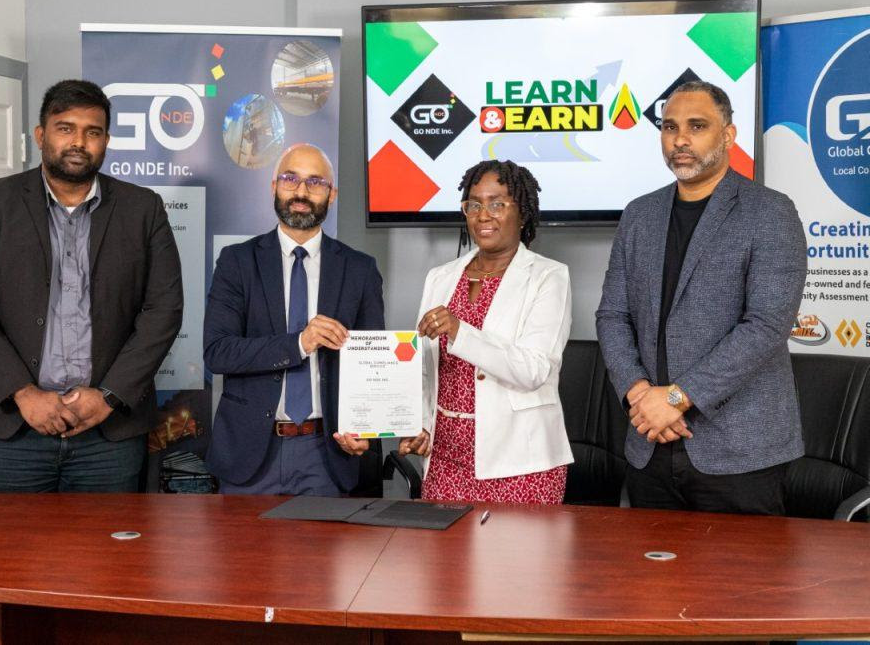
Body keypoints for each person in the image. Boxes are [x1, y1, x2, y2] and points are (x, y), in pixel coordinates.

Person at [0, 79, 183, 644]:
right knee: (2, 575)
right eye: (67, 128)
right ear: (40, 134)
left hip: (107, 433)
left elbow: (163, 310)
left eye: (93, 132)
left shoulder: (142, 209)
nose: (80, 142)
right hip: (10, 431)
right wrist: (24, 394)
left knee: (107, 577)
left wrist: (111, 395)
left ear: (107, 141)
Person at [595, 81, 807, 515]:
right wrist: (640, 396)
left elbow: (766, 324)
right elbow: (613, 315)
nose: (681, 140)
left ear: (728, 135)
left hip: (739, 453)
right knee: (650, 582)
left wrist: (673, 400)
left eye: (697, 126)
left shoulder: (769, 211)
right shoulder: (640, 214)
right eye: (670, 127)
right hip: (650, 444)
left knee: (743, 584)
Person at [203, 143, 384, 495]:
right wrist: (300, 343)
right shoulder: (237, 262)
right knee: (244, 552)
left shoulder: (360, 269)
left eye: (315, 182)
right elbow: (218, 352)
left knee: (320, 551)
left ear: (332, 195)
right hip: (250, 453)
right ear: (273, 187)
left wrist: (366, 429)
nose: (301, 192)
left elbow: (372, 363)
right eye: (290, 179)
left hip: (327, 452)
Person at [399, 160, 573, 503]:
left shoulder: (549, 277)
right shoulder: (441, 277)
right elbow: (423, 368)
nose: (483, 214)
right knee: (444, 558)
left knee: (516, 559)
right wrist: (418, 423)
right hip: (446, 459)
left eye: (497, 203)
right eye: (474, 204)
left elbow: (534, 370)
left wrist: (460, 332)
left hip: (521, 464)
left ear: (522, 213)